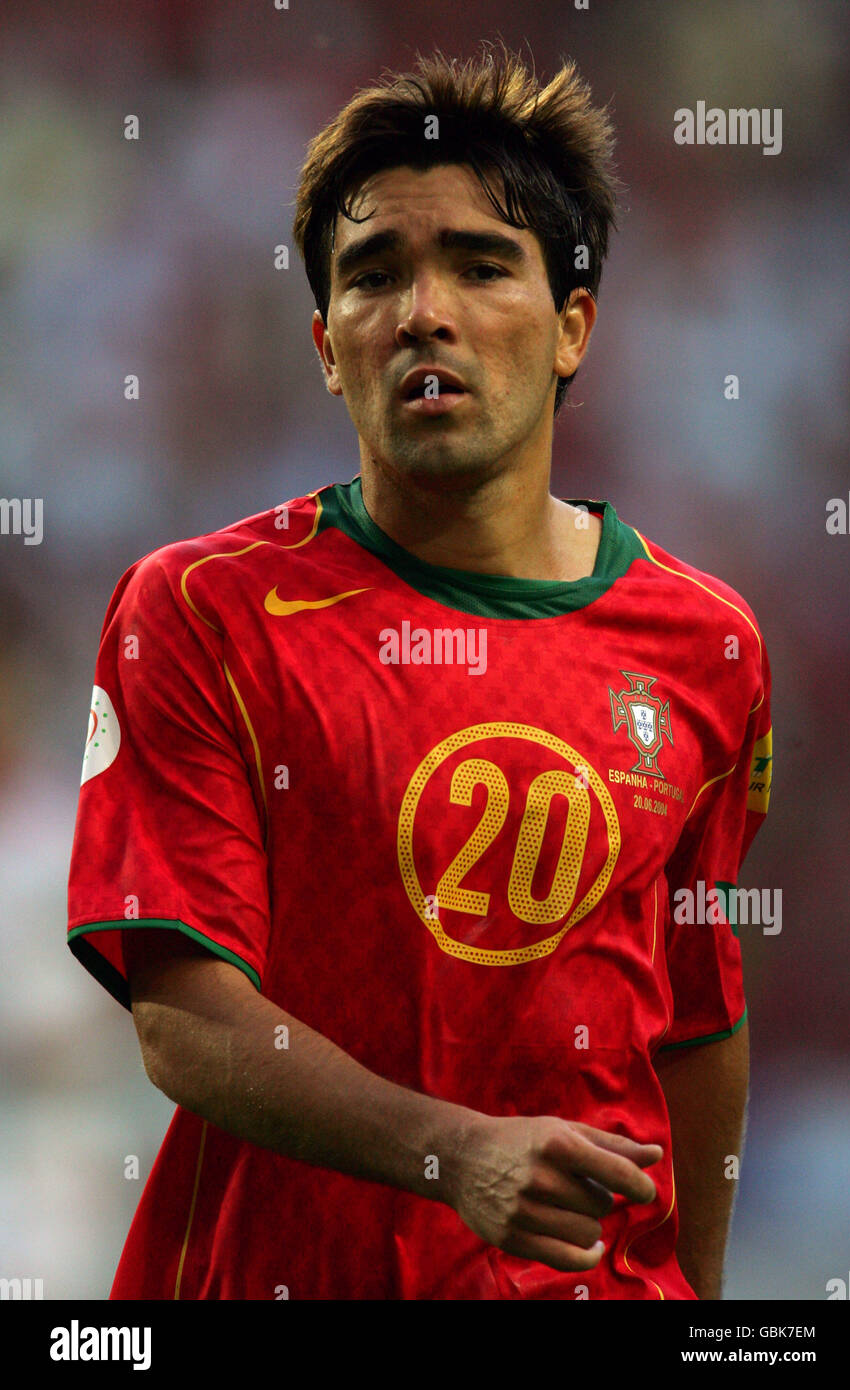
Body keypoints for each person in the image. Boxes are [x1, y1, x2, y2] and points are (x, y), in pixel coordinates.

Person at [67, 45, 772, 1300]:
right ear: (328, 347)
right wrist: (457, 1156)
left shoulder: (706, 644)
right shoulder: (202, 611)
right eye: (372, 275)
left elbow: (698, 1019)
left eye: (479, 264)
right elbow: (183, 1016)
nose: (421, 312)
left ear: (571, 328)